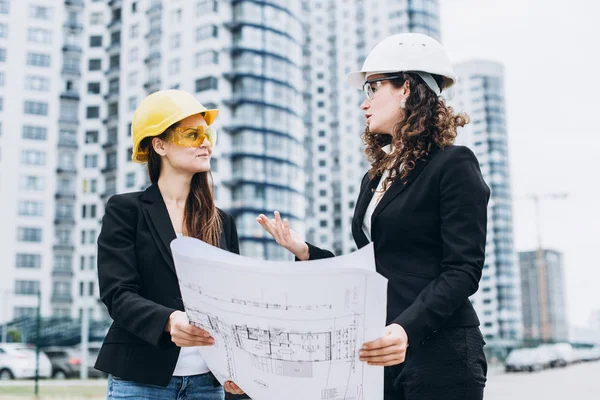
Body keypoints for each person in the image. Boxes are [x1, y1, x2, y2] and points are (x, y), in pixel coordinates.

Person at [257, 33, 490, 400]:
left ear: (407, 88)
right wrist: (304, 251)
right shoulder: (375, 177)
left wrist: (407, 329)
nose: (364, 104)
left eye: (373, 88)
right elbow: (370, 268)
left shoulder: (453, 165)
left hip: (440, 349)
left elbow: (463, 269)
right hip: (383, 349)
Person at [95, 90, 244, 399]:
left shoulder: (222, 221)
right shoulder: (126, 210)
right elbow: (117, 294)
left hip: (207, 383)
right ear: (159, 145)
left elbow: (233, 304)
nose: (206, 143)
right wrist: (169, 320)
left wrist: (239, 367)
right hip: (139, 379)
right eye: (192, 134)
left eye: (207, 133)